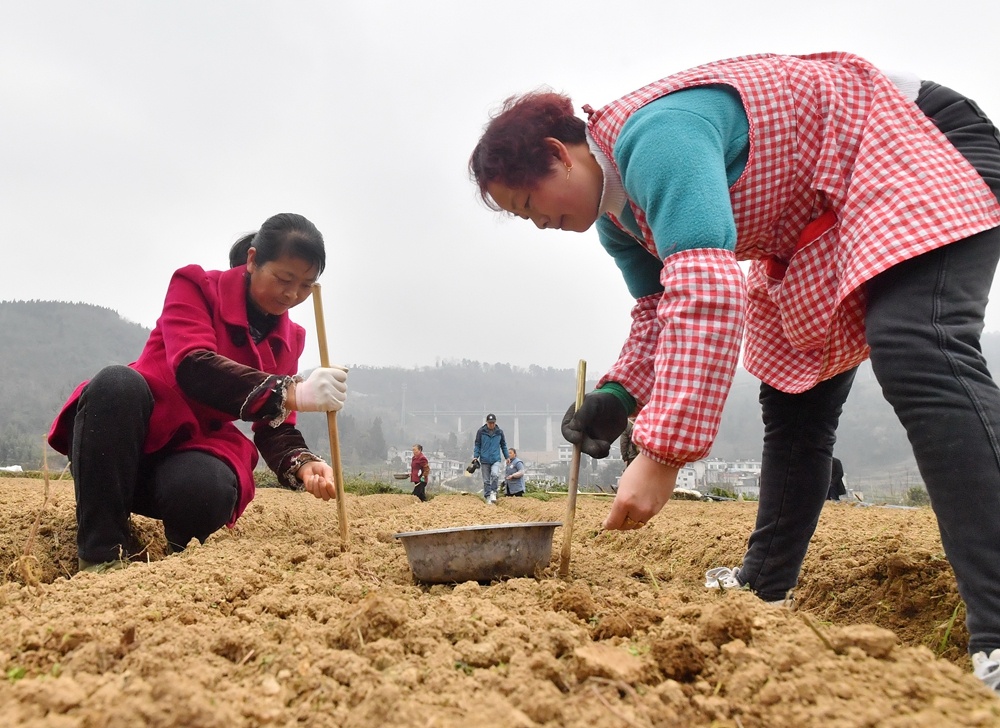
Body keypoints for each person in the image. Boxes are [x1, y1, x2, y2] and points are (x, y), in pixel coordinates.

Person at [468, 52, 1000, 690]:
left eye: (529, 201)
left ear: (559, 154)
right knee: (794, 393)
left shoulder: (655, 139)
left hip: (913, 141)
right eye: (524, 218)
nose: (539, 223)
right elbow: (661, 311)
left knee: (917, 344)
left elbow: (708, 291)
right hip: (820, 217)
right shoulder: (619, 224)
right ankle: (765, 586)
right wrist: (619, 393)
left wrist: (663, 453)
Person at [48, 213, 349, 573]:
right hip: (130, 434)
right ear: (252, 260)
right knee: (116, 383)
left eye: (305, 285)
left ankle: (180, 566)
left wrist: (304, 463)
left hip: (193, 448)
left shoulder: (290, 338)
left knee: (205, 486)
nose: (292, 294)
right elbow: (194, 366)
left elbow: (275, 424)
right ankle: (100, 556)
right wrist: (291, 391)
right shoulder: (196, 286)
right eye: (284, 279)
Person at [472, 413, 508, 504]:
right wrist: (476, 456)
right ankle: (487, 496)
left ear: (495, 423)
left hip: (495, 458)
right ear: (487, 422)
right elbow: (477, 445)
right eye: (489, 423)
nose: (491, 424)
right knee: (486, 480)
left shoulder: (499, 432)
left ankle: (493, 492)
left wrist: (507, 456)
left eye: (493, 423)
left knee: (495, 475)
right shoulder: (481, 432)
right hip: (484, 459)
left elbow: (503, 445)